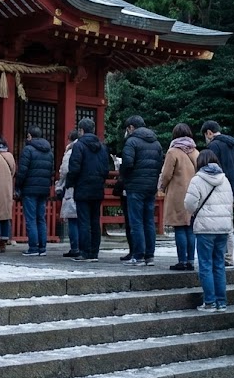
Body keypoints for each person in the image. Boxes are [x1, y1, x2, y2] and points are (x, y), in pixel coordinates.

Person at [186, 149, 234, 311]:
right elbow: (230, 203)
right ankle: (221, 302)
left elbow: (189, 204)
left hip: (205, 228)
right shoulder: (224, 179)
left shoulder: (197, 179)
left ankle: (209, 301)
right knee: (219, 264)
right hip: (222, 228)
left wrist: (195, 211)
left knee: (205, 265)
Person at [65, 118, 111, 262]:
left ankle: (85, 252)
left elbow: (74, 167)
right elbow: (106, 168)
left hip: (82, 187)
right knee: (95, 221)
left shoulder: (79, 146)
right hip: (97, 187)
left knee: (84, 221)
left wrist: (70, 183)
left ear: (81, 130)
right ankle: (94, 252)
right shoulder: (102, 147)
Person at [120, 115, 163, 266]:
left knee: (136, 221)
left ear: (131, 127)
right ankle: (149, 255)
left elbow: (127, 163)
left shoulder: (131, 142)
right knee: (149, 221)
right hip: (150, 186)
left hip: (135, 186)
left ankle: (138, 255)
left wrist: (124, 176)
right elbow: (159, 164)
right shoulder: (156, 143)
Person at [159, 123, 200, 271]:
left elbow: (166, 174)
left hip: (178, 194)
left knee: (179, 227)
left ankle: (182, 260)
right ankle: (190, 261)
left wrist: (161, 187)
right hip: (193, 194)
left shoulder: (173, 152)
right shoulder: (196, 152)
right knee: (190, 227)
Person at [203, 120, 234, 267]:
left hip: (219, 188)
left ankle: (221, 256)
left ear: (209, 133)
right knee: (228, 224)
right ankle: (229, 257)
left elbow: (211, 170)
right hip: (232, 188)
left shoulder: (214, 146)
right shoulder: (231, 144)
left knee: (217, 223)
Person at [16, 125, 54, 256]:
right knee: (41, 218)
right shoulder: (49, 151)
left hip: (29, 188)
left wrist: (18, 186)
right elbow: (51, 171)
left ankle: (33, 247)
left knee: (31, 218)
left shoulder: (28, 150)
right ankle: (42, 247)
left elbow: (22, 171)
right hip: (43, 189)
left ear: (29, 136)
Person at [55, 129, 80, 257]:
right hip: (85, 187)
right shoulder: (88, 148)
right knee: (82, 219)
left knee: (72, 219)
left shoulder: (71, 151)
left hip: (72, 187)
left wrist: (59, 185)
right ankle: (84, 247)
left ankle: (75, 247)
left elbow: (64, 170)